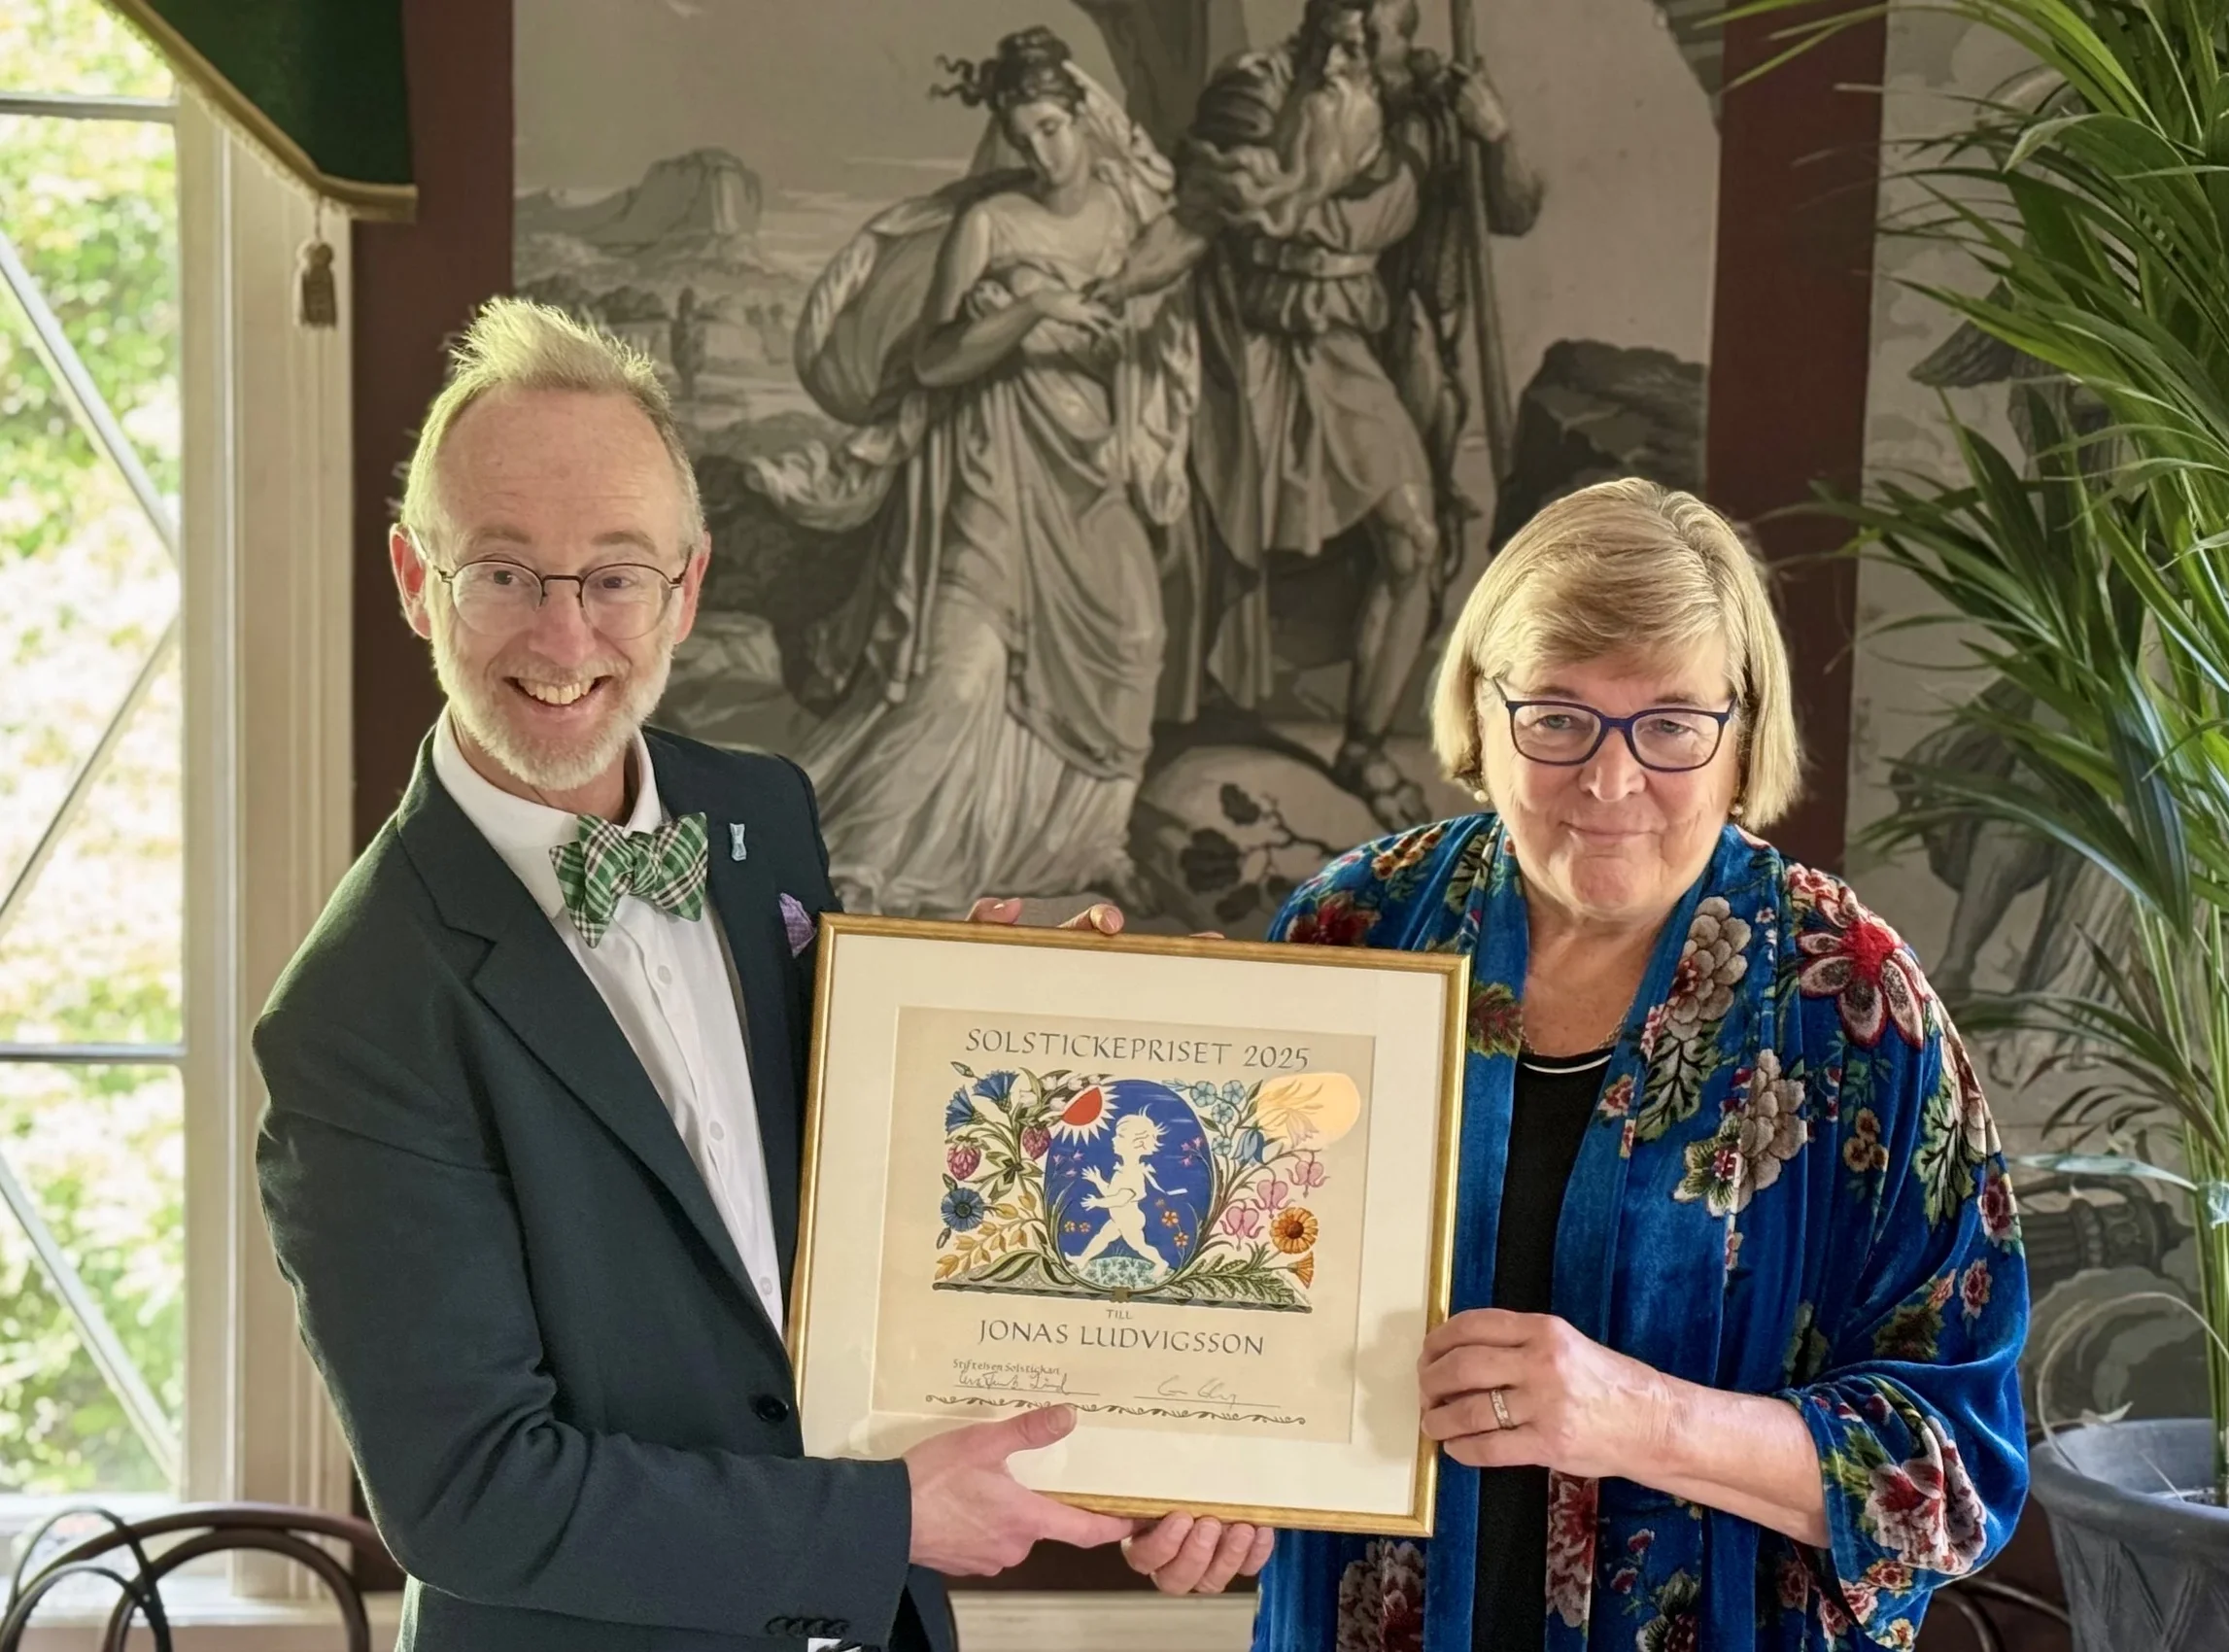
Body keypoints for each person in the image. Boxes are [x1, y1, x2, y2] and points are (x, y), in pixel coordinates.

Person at [252, 296, 1202, 1651]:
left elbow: (843, 1193)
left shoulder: (762, 813)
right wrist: (884, 1520)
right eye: (504, 573)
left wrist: (1006, 1027)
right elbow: (471, 1495)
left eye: (616, 574)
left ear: (686, 588)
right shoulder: (354, 1012)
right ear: (417, 580)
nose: (565, 637)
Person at [1141, 480, 2031, 1647]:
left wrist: (1639, 1416)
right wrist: (1199, 1468)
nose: (1610, 780)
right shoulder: (1353, 927)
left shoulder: (1852, 999)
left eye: (1670, 724)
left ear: (1741, 735)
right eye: (1557, 716)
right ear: (1482, 712)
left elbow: (1957, 1475)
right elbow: (1233, 1300)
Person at [767, 26, 1199, 915]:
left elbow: (1165, 321)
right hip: (995, 464)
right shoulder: (989, 225)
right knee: (959, 673)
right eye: (1023, 134)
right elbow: (934, 359)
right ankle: (867, 856)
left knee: (1134, 640)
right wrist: (1033, 306)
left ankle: (1092, 840)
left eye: (1052, 128)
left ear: (1083, 115)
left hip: (1091, 465)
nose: (1040, 151)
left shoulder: (1130, 211)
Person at [1093, 0, 1541, 829]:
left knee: (1412, 540)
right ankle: (1135, 733)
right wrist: (1112, 292)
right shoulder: (1255, 91)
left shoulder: (1427, 114)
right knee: (1186, 533)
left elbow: (1512, 211)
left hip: (1342, 348)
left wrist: (1495, 132)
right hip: (1239, 349)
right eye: (1346, 28)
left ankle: (1362, 746)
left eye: (1381, 32)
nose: (1360, 46)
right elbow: (1201, 214)